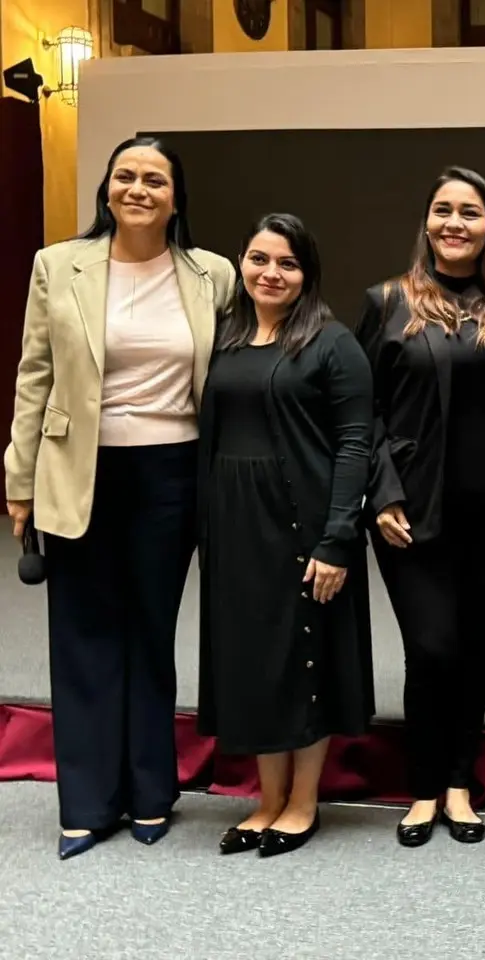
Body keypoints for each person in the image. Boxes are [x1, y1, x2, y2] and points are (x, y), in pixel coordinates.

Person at [3, 136, 237, 859]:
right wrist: (19, 481)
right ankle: (87, 800)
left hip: (172, 472)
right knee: (82, 636)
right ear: (106, 187)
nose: (138, 188)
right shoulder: (58, 265)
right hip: (79, 470)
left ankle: (149, 790)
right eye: (125, 176)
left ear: (176, 197)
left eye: (155, 179)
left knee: (149, 632)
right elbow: (33, 377)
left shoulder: (212, 275)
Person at [358, 166, 485, 848]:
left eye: (469, 212)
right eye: (442, 209)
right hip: (410, 514)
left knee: (474, 650)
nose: (454, 223)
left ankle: (457, 784)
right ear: (426, 222)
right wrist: (380, 490)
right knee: (431, 647)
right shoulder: (388, 302)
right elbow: (363, 413)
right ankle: (421, 786)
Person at [196, 213, 376, 858]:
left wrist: (337, 539)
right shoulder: (224, 338)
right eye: (258, 259)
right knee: (252, 662)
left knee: (306, 661)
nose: (270, 273)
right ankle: (266, 799)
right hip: (237, 529)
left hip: (303, 527)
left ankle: (303, 803)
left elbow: (356, 444)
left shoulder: (331, 343)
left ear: (307, 274)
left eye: (287, 263)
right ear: (241, 265)